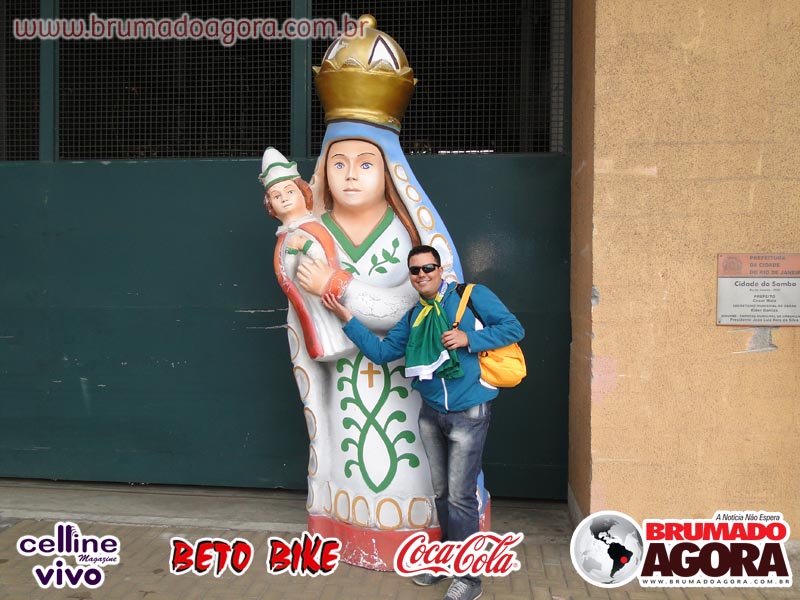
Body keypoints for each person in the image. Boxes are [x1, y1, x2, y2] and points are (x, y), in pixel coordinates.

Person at [322, 245, 525, 600]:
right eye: (414, 270)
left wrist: (470, 339)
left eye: (428, 267)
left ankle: (470, 579)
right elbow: (382, 353)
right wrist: (347, 318)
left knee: (461, 497)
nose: (421, 275)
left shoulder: (471, 296)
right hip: (430, 414)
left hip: (469, 412)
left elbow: (513, 328)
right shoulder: (415, 315)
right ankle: (446, 560)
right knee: (443, 494)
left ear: (440, 268)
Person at [259, 146, 350, 360]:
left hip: (323, 297)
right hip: (304, 301)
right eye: (276, 196)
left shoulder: (313, 228)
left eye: (290, 191)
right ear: (270, 205)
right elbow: (286, 274)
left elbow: (327, 260)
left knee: (328, 325)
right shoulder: (284, 236)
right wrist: (292, 252)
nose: (284, 198)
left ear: (303, 192)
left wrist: (306, 246)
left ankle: (336, 343)